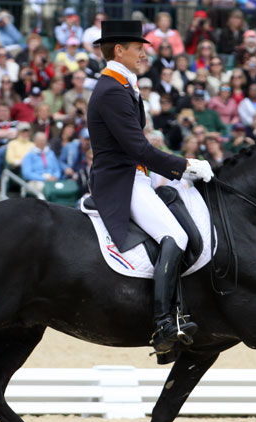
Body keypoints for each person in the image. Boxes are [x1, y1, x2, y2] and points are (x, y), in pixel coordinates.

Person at [87, 20, 213, 358]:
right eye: (137, 46)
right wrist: (184, 165)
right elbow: (138, 149)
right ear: (119, 50)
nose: (144, 51)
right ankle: (163, 323)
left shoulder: (124, 85)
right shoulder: (112, 89)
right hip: (121, 179)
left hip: (136, 174)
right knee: (177, 237)